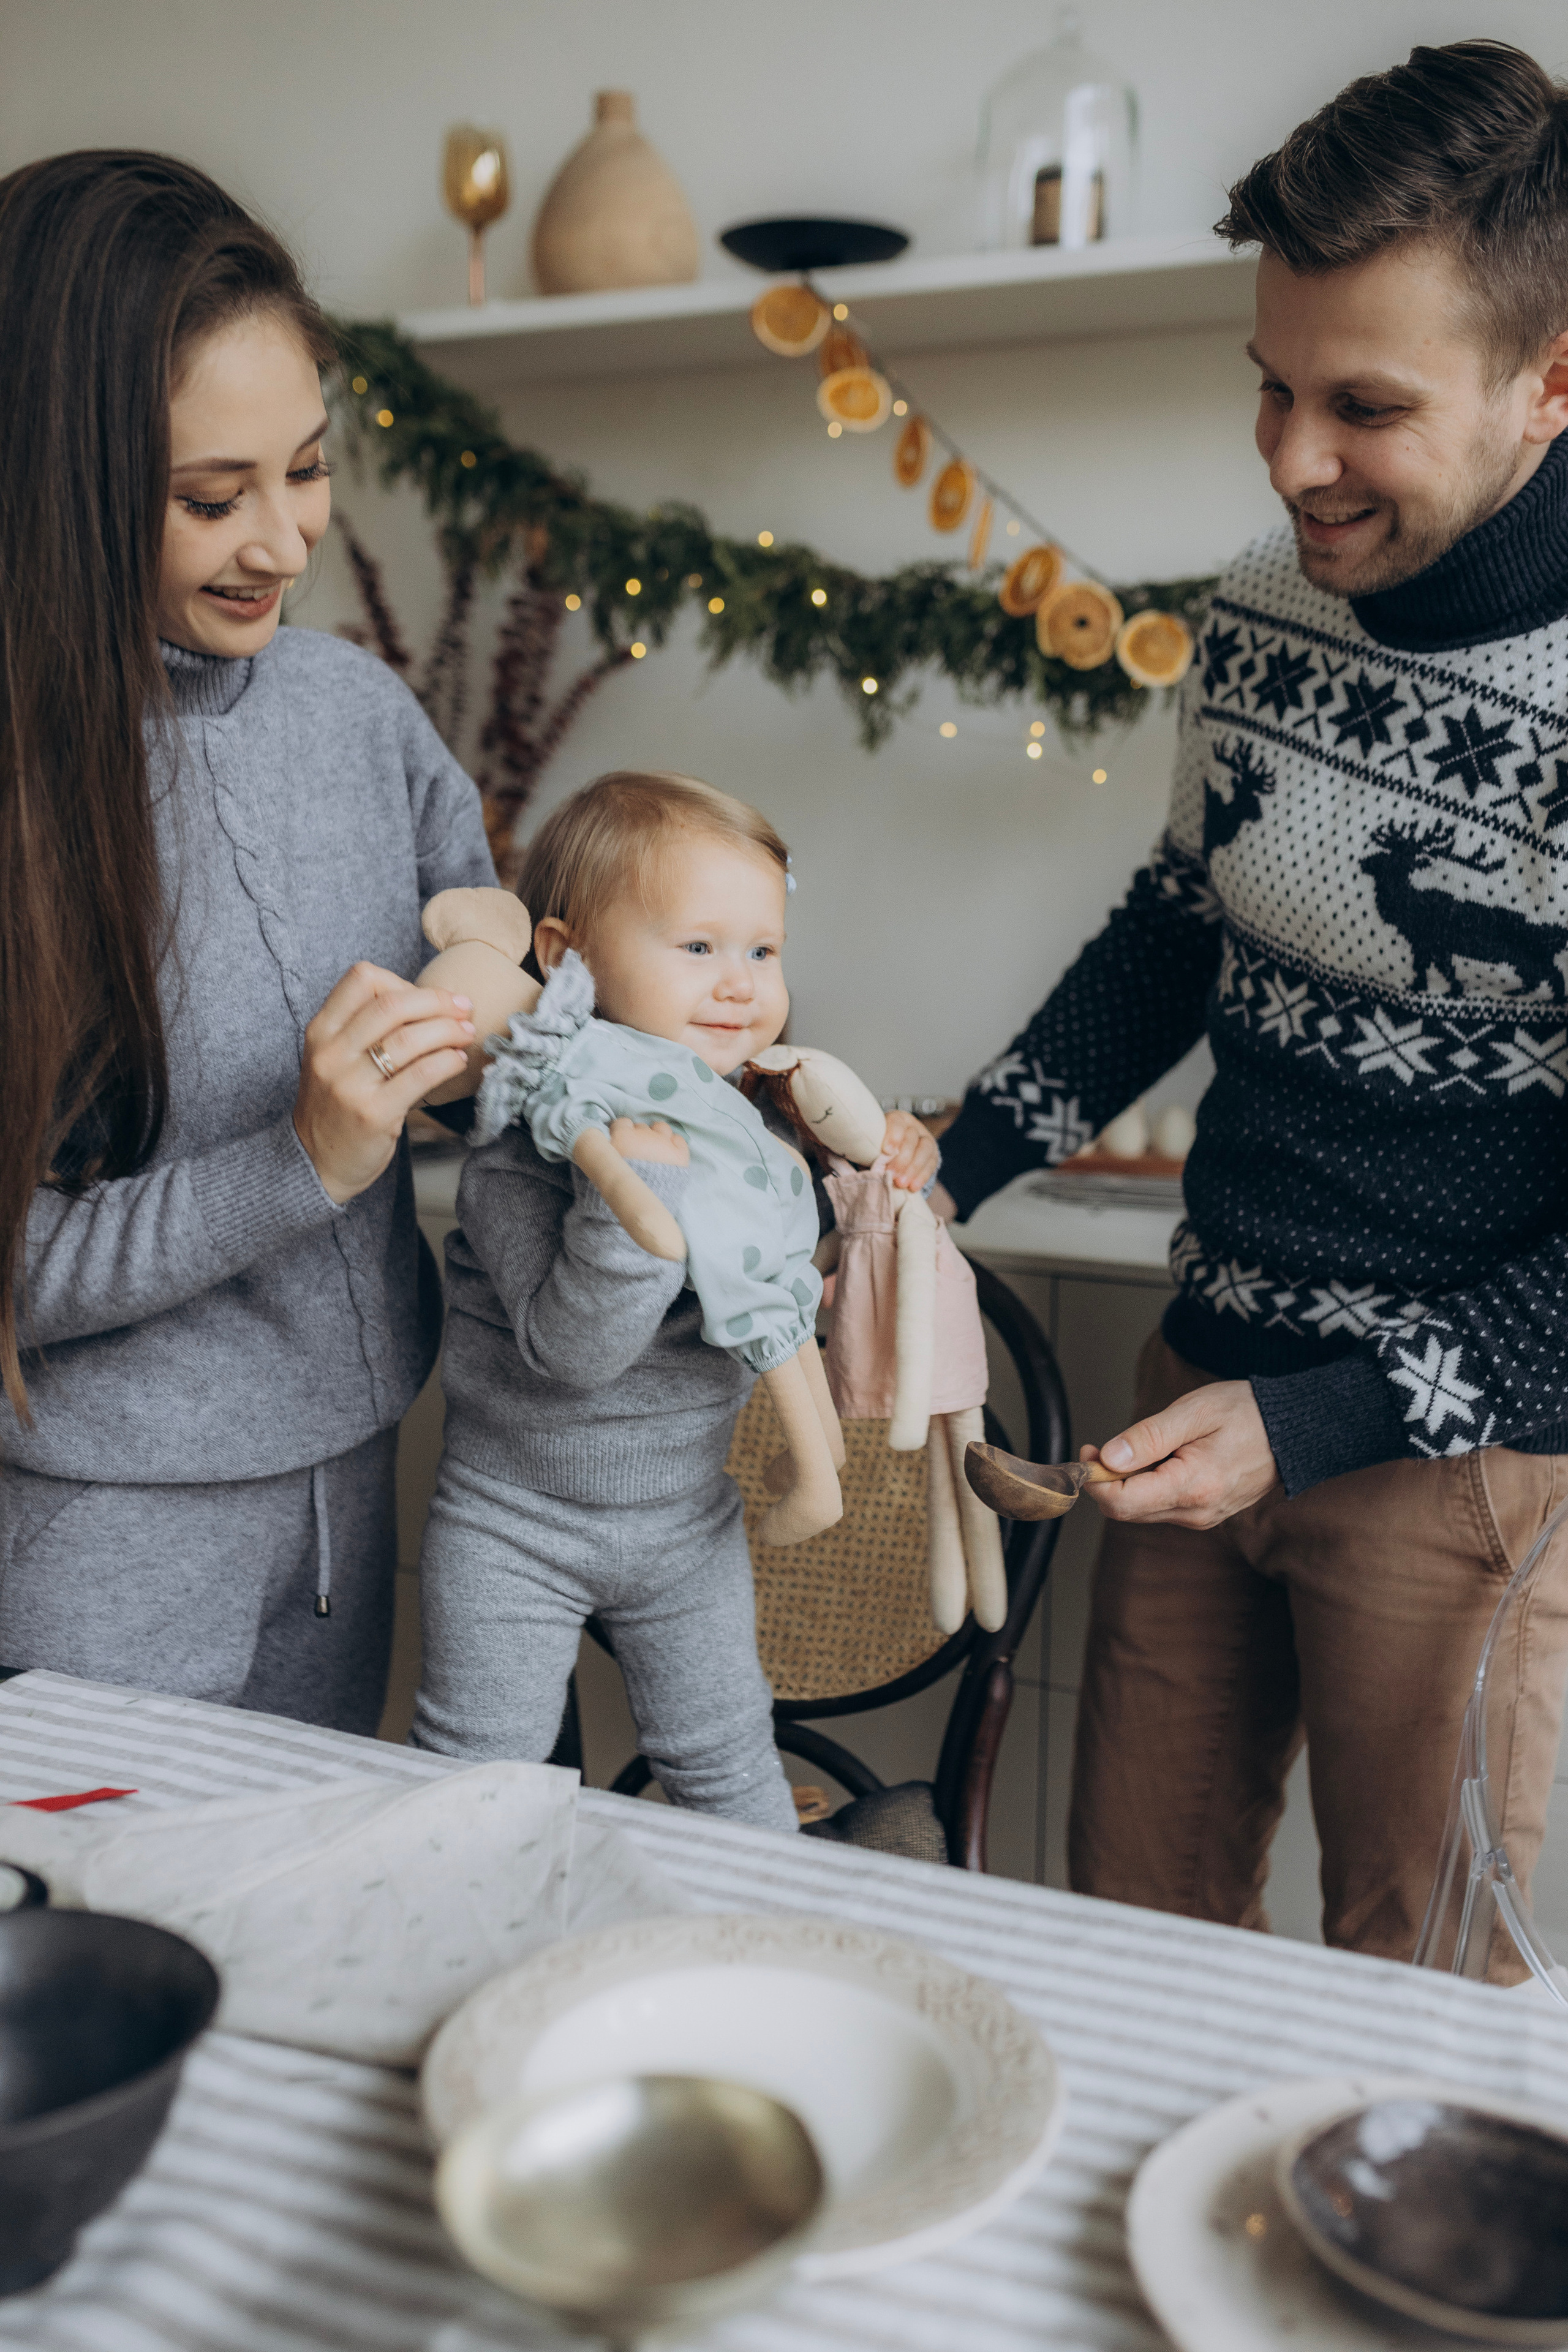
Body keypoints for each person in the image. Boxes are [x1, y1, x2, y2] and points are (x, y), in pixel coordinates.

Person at [934, 40, 1568, 1964]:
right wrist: (934, 1164)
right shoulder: (1258, 617)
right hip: (1196, 1397)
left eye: (1364, 405)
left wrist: (1329, 1418)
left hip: (1452, 1470)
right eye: (1272, 390)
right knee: (1126, 1951)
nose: (1294, 461)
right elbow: (1177, 935)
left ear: (1554, 381)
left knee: (1424, 2003)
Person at [0, 151, 492, 1731]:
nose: (281, 544)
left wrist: (504, 1016)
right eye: (211, 499)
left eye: (307, 468)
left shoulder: (358, 711)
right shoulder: (25, 791)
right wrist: (305, 1158)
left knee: (299, 1959)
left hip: (354, 1485)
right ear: (52, 486)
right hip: (103, 1537)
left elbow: (489, 988)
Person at [410, 771, 937, 1825]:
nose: (740, 984)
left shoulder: (754, 1125)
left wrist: (882, 1174)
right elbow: (578, 1352)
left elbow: (793, 1277)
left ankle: (762, 1957)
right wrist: (629, 1200)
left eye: (762, 951)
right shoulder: (526, 1160)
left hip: (685, 1523)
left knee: (726, 1765)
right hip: (513, 1523)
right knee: (478, 1775)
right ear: (566, 958)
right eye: (698, 948)